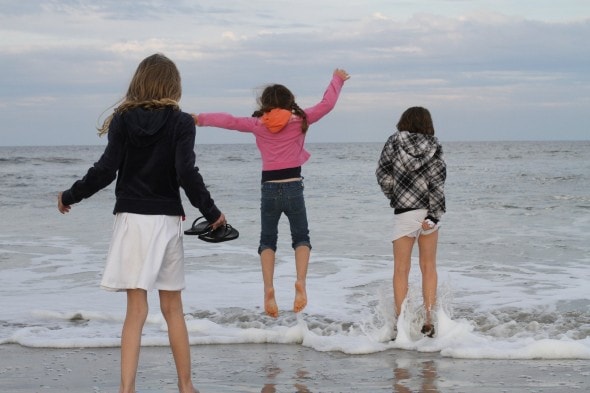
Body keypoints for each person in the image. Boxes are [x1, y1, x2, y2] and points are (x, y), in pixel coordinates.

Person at [58, 53, 225, 393]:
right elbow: (186, 174)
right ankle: (186, 386)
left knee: (136, 309)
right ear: (173, 85)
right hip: (166, 221)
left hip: (132, 220)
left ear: (139, 82)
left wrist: (70, 195)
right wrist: (212, 213)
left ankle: (127, 389)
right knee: (172, 308)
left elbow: (105, 170)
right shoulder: (181, 123)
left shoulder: (123, 120)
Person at [193, 68, 350, 318]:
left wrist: (199, 119)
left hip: (269, 188)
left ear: (265, 103)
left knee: (268, 240)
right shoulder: (301, 120)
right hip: (293, 185)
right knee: (301, 238)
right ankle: (300, 283)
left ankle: (268, 288)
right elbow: (327, 104)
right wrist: (337, 79)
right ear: (290, 102)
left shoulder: (258, 124)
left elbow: (229, 121)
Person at [375, 106, 446, 338]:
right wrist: (434, 215)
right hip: (428, 211)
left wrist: (395, 194)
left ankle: (401, 322)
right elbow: (438, 181)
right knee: (428, 267)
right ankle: (428, 320)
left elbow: (382, 173)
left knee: (401, 269)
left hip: (405, 211)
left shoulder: (394, 141)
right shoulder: (434, 145)